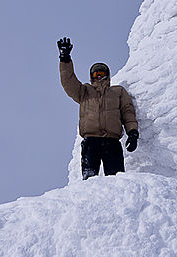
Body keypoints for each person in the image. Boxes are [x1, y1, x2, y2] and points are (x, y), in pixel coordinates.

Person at [57, 37, 138, 180]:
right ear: (91, 77)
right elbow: (68, 82)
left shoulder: (118, 92)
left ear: (107, 76)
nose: (99, 77)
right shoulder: (84, 91)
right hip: (91, 141)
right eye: (96, 74)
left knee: (116, 179)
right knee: (89, 179)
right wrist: (65, 59)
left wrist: (132, 133)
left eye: (101, 74)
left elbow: (128, 113)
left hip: (112, 141)